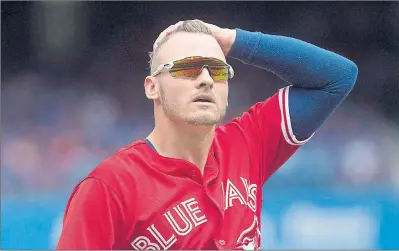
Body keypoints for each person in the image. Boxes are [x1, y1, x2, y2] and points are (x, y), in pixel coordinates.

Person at [57, 20, 358, 250]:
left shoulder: (247, 142)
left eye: (217, 70)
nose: (205, 79)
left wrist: (235, 41)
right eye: (187, 68)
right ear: (152, 87)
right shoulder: (109, 187)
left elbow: (337, 77)